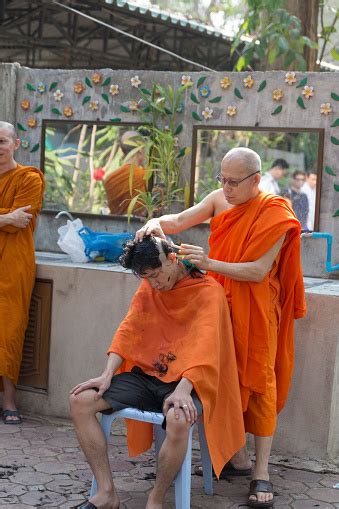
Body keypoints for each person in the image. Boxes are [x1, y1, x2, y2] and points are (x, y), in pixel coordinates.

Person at [135, 147, 306, 508]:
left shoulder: (275, 212)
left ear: (256, 180)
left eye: (233, 182)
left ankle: (261, 471)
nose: (225, 189)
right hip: (216, 307)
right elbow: (179, 219)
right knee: (222, 379)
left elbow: (259, 271)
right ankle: (235, 459)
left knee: (259, 385)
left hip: (256, 312)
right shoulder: (218, 199)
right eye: (221, 180)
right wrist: (155, 224)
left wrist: (209, 261)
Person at [69, 235, 245, 509]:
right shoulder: (149, 286)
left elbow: (207, 345)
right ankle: (106, 493)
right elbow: (129, 329)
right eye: (146, 278)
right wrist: (106, 374)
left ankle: (156, 498)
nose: (153, 284)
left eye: (156, 275)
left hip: (188, 380)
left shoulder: (210, 291)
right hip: (148, 375)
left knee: (178, 418)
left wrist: (183, 389)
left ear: (172, 259)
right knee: (80, 401)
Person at [0, 121, 45, 424]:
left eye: (2, 141)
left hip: (12, 265)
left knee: (10, 328)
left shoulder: (29, 178)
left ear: (16, 144)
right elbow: (10, 218)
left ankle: (9, 399)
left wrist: (10, 218)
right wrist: (6, 216)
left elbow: (20, 221)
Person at [104, 130, 146, 215]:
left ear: (122, 151)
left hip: (115, 226)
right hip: (140, 226)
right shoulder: (144, 176)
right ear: (141, 150)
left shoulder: (109, 179)